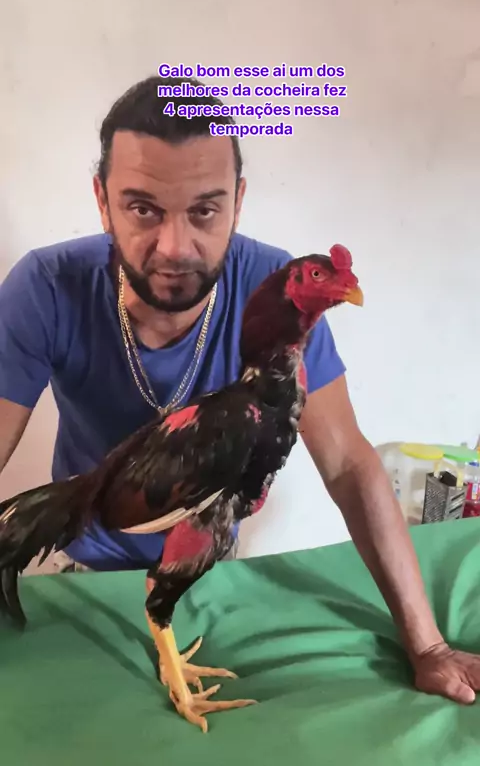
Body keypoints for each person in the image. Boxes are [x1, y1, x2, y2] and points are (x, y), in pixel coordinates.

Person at [1, 74, 480, 704]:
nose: (175, 248)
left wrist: (429, 647)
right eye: (142, 209)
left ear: (238, 200)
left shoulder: (281, 290)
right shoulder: (46, 286)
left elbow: (348, 464)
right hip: (85, 566)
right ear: (102, 200)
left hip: (207, 570)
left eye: (204, 210)